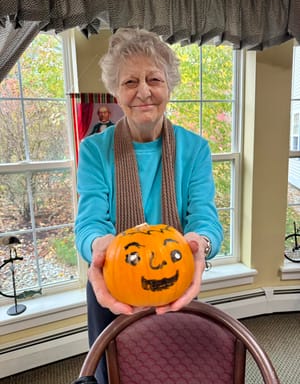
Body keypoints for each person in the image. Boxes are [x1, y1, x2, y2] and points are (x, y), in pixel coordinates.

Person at [75, 27, 223, 384]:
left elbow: (205, 218)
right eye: (130, 82)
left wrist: (200, 243)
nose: (144, 92)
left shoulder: (195, 149)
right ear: (115, 91)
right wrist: (98, 245)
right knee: (114, 374)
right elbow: (90, 222)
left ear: (169, 86)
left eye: (154, 79)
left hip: (174, 282)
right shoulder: (95, 151)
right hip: (112, 288)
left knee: (173, 370)